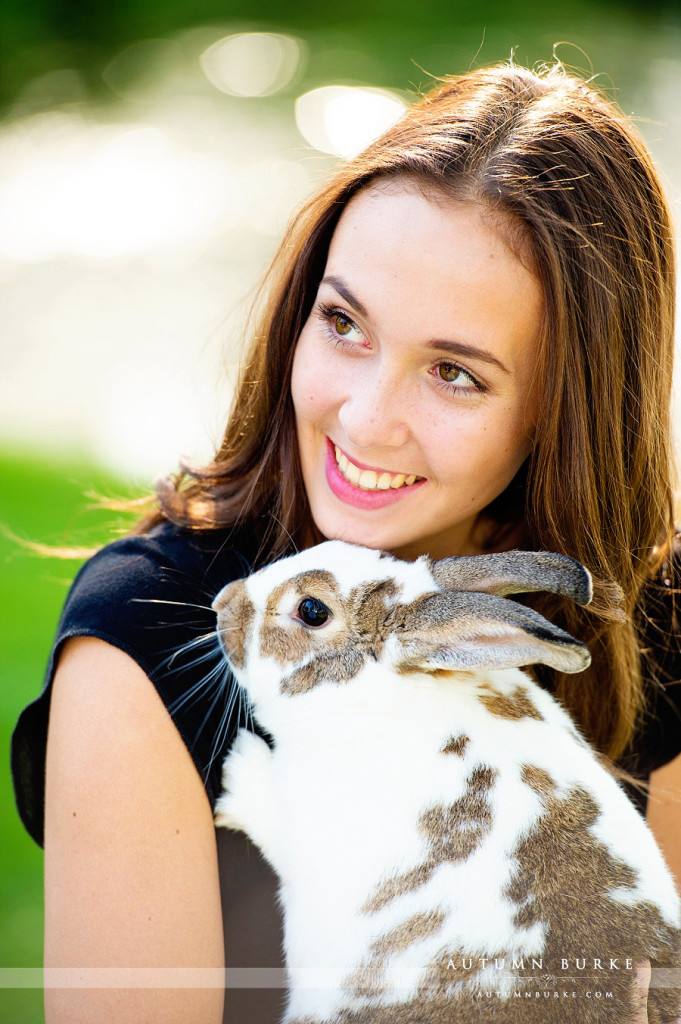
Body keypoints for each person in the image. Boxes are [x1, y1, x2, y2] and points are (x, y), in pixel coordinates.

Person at [11, 59, 681, 1024]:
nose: (364, 421)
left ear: (563, 411)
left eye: (454, 372)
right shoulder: (151, 636)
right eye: (344, 323)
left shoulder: (645, 619)